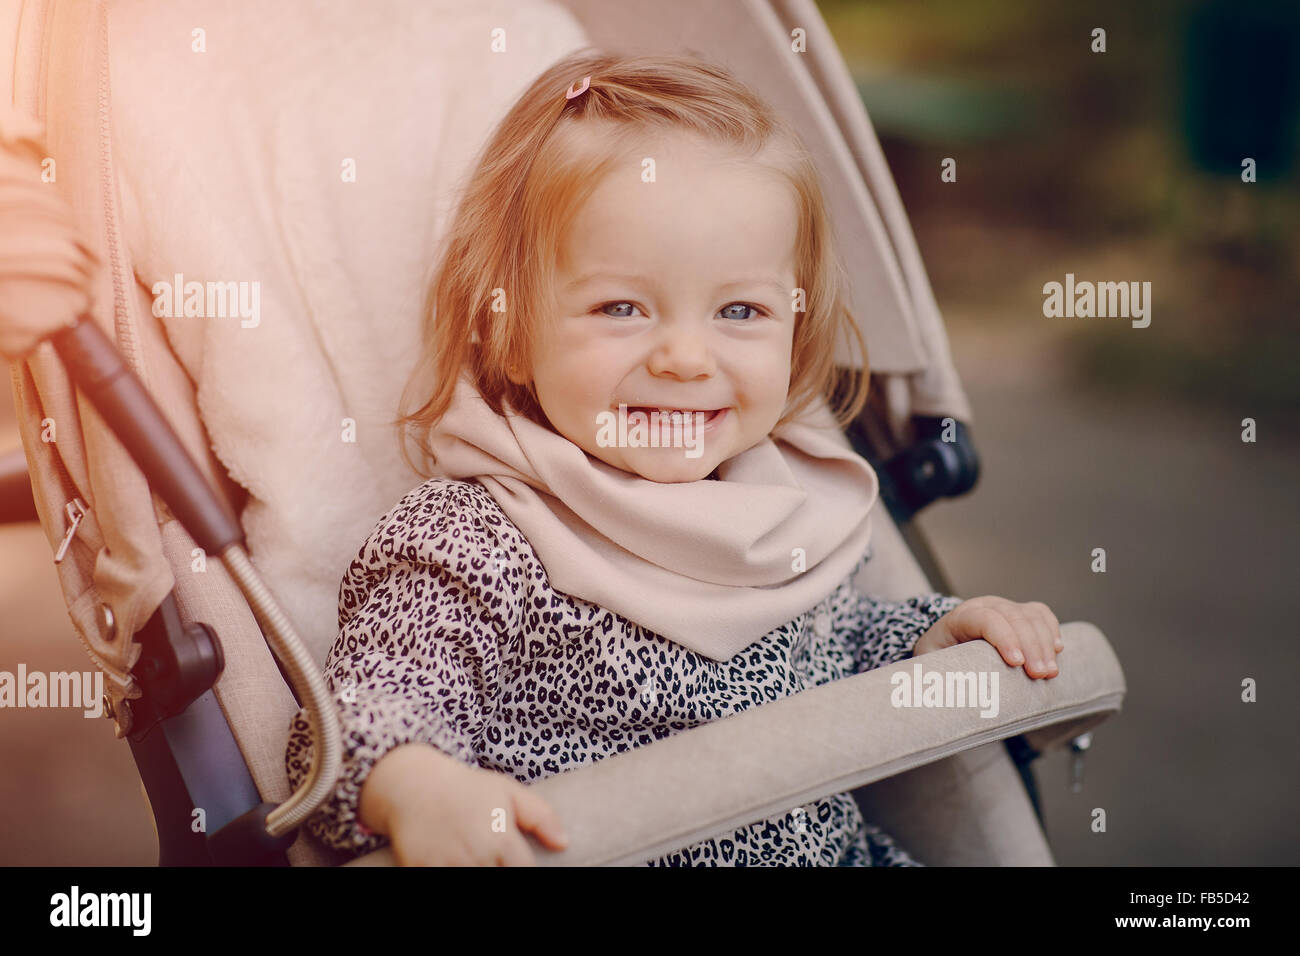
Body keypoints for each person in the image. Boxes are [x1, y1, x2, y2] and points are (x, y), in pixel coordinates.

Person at [284, 51, 1063, 867]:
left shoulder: (784, 504)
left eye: (740, 309)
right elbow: (360, 719)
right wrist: (416, 785)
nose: (687, 358)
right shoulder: (479, 539)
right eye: (621, 307)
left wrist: (924, 637)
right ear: (507, 332)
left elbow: (826, 645)